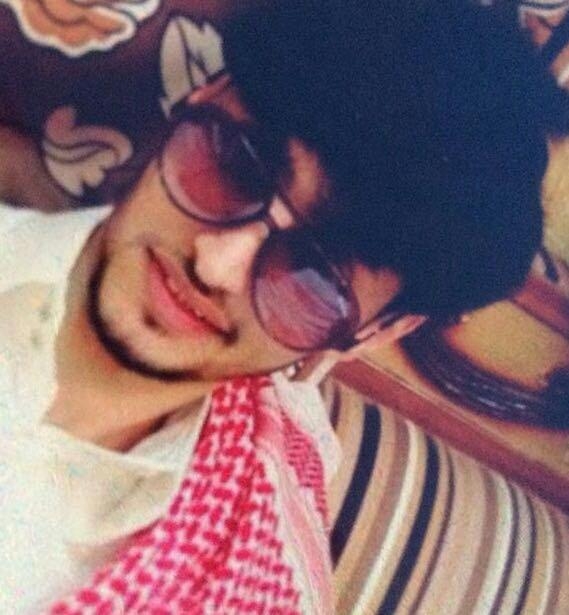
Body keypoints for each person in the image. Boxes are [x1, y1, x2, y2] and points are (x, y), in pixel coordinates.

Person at [1, 0, 567, 612]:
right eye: (235, 166)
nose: (216, 265)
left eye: (313, 275)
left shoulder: (258, 552)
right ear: (206, 95)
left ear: (377, 330)